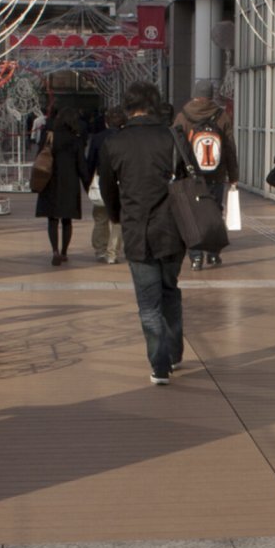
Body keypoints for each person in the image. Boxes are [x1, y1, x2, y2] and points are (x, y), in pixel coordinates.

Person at [98, 82, 188, 385]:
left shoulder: (115, 143)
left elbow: (107, 188)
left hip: (137, 228)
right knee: (170, 291)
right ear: (155, 104)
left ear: (128, 106)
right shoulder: (174, 137)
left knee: (149, 303)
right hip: (174, 228)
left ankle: (159, 365)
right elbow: (189, 180)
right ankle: (174, 353)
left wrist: (116, 215)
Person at [173, 79, 237, 269]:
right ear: (211, 95)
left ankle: (196, 256)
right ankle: (213, 254)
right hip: (216, 174)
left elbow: (177, 146)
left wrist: (176, 173)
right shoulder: (222, 116)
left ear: (195, 93)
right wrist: (233, 175)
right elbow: (230, 148)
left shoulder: (183, 115)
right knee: (215, 213)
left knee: (192, 214)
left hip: (191, 174)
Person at [34, 105, 87, 265]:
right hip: (69, 183)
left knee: (52, 218)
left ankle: (55, 250)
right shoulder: (76, 139)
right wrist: (87, 183)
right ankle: (64, 251)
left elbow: (39, 157)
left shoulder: (48, 136)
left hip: (50, 180)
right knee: (66, 219)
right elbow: (81, 164)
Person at [86, 107, 127, 264]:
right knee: (117, 220)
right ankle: (113, 253)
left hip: (102, 181)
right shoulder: (126, 138)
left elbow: (90, 162)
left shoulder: (97, 138)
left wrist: (88, 181)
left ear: (106, 122)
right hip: (121, 182)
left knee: (100, 217)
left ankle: (100, 250)